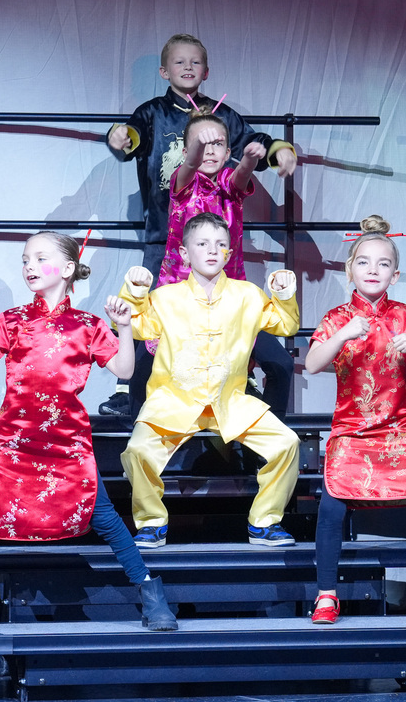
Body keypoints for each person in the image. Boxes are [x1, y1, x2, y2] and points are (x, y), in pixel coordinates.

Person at [0, 232, 178, 633]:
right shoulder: (12, 320)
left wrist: (124, 327)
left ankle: (153, 600)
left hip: (67, 442)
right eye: (25, 260)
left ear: (67, 269)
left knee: (105, 516)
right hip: (15, 440)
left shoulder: (87, 325)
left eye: (39, 258)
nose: (30, 266)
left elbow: (123, 369)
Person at [101, 33, 297, 419]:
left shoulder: (223, 123)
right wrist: (119, 135)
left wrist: (275, 150)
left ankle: (239, 383)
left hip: (223, 263)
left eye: (195, 62)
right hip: (167, 243)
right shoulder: (153, 114)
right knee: (152, 321)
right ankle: (132, 392)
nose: (188, 68)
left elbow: (249, 154)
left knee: (232, 325)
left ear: (207, 71)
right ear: (164, 71)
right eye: (179, 62)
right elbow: (132, 139)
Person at [120, 212, 300, 548]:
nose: (212, 250)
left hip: (230, 401)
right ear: (184, 253)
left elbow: (285, 325)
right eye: (202, 244)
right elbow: (139, 326)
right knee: (136, 451)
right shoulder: (165, 297)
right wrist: (135, 290)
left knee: (286, 444)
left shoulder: (247, 295)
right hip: (174, 400)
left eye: (220, 244)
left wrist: (284, 294)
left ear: (229, 252)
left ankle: (264, 522)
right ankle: (151, 522)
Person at [305, 216, 406, 625]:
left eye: (383, 264)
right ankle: (326, 595)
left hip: (400, 431)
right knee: (331, 509)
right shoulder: (337, 318)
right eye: (364, 262)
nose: (373, 270)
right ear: (350, 269)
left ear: (394, 274)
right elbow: (312, 363)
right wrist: (343, 335)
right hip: (351, 433)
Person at [156, 110, 295, 418]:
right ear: (185, 151)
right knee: (146, 366)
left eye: (217, 144)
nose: (209, 151)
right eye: (201, 144)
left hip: (229, 304)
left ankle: (266, 430)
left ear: (228, 151)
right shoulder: (183, 184)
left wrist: (249, 160)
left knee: (281, 364)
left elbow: (241, 176)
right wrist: (199, 146)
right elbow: (190, 165)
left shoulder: (228, 186)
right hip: (181, 304)